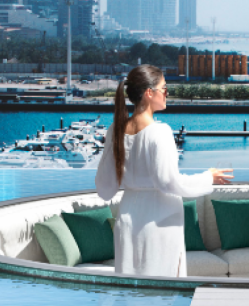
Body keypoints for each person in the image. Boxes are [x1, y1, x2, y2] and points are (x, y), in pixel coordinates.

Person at [95, 65, 232, 277]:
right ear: (150, 93)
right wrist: (208, 177)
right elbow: (169, 182)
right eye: (165, 88)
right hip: (158, 222)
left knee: (132, 295)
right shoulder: (160, 132)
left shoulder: (115, 130)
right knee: (160, 295)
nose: (168, 93)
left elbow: (105, 188)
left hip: (128, 220)